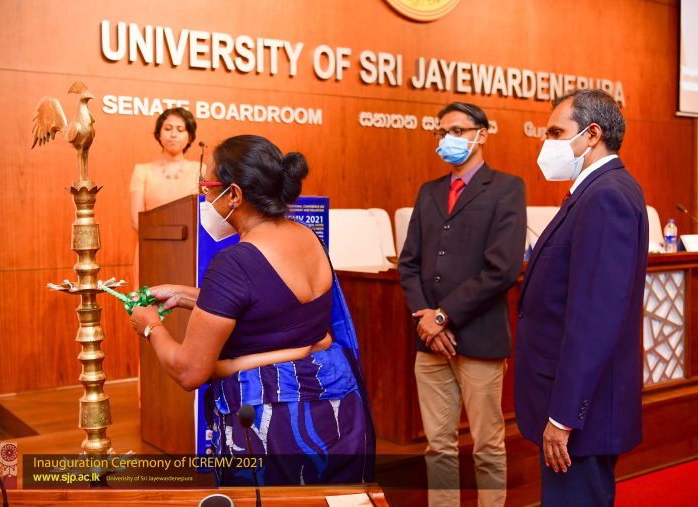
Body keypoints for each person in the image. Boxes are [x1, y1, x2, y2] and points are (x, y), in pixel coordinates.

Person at [128, 135, 375, 486]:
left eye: (207, 187)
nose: (204, 197)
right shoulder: (308, 237)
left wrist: (150, 326)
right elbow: (276, 308)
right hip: (334, 417)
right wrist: (187, 296)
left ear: (234, 195)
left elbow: (189, 371)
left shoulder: (235, 263)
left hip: (272, 427)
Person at [514, 89, 648, 506]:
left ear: (592, 134)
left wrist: (564, 416)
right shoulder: (593, 191)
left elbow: (594, 319)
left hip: (578, 414)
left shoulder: (607, 195)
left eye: (556, 133)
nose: (546, 144)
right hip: (569, 403)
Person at [398, 102, 526, 506]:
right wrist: (427, 321)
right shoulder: (429, 191)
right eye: (441, 132)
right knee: (438, 447)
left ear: (482, 134)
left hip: (479, 338)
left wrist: (442, 315)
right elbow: (409, 264)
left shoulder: (507, 188)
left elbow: (502, 269)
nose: (446, 139)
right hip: (429, 342)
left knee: (487, 447)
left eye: (456, 130)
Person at [129, 107, 204, 285]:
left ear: (190, 136)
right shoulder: (142, 170)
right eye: (168, 128)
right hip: (151, 249)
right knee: (150, 300)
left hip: (189, 253)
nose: (173, 135)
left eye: (180, 129)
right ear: (159, 134)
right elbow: (136, 221)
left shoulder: (201, 170)